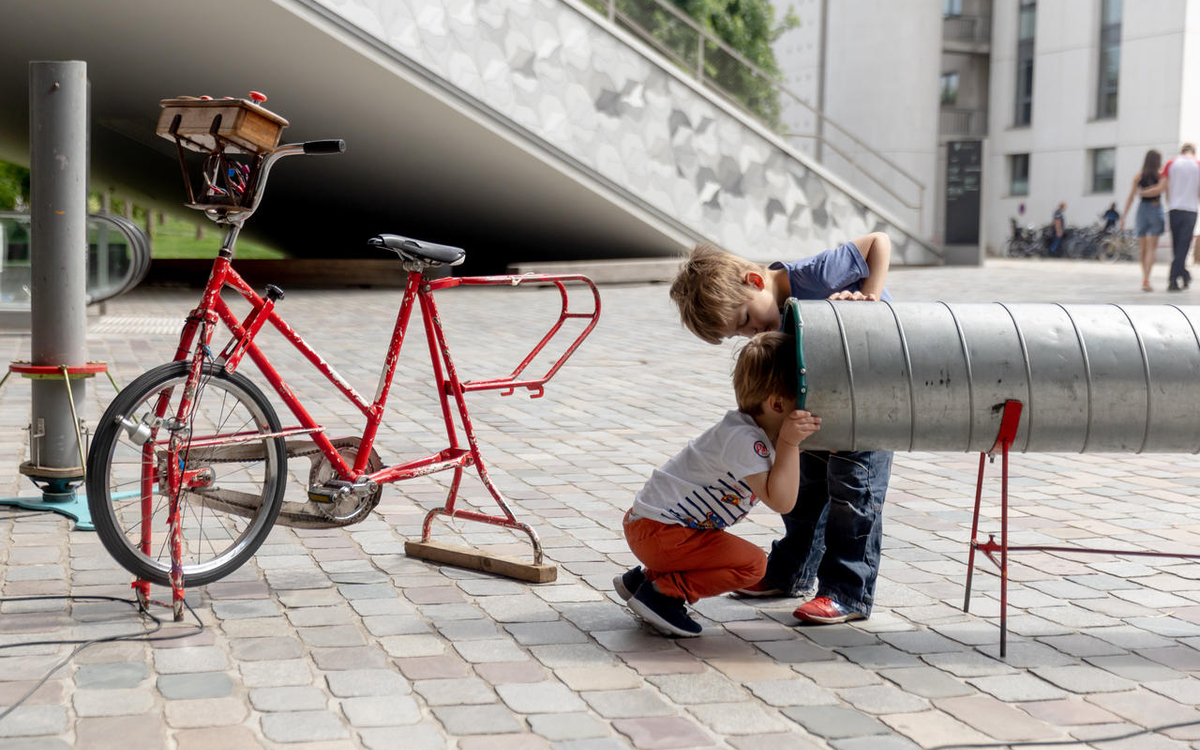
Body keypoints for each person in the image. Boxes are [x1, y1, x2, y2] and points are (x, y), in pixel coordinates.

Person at [667, 234, 893, 625]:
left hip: (870, 397)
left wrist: (868, 302)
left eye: (745, 321)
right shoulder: (771, 310)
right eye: (740, 334)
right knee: (806, 491)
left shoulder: (815, 276)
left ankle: (846, 592)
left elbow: (878, 243)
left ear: (754, 281)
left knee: (854, 493)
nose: (752, 332)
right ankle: (792, 571)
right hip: (824, 403)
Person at [613, 332, 822, 637]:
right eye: (804, 401)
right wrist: (790, 444)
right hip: (661, 533)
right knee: (752, 565)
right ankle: (664, 594)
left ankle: (646, 580)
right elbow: (782, 501)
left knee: (718, 548)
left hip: (654, 528)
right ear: (777, 404)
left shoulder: (746, 428)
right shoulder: (744, 440)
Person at [1119, 149, 1166, 292]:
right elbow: (1159, 190)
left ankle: (1144, 279)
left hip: (1142, 210)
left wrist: (1124, 216)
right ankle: (1147, 279)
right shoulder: (1161, 174)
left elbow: (1131, 197)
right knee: (1151, 248)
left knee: (1143, 248)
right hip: (1155, 208)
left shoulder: (1138, 176)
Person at [1162, 143, 1200, 291]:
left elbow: (1165, 185)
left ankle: (1184, 275)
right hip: (1190, 209)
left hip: (1174, 209)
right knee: (1183, 246)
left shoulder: (1171, 163)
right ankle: (1173, 279)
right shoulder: (1197, 164)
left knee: (1177, 246)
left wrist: (1169, 201)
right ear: (1193, 152)